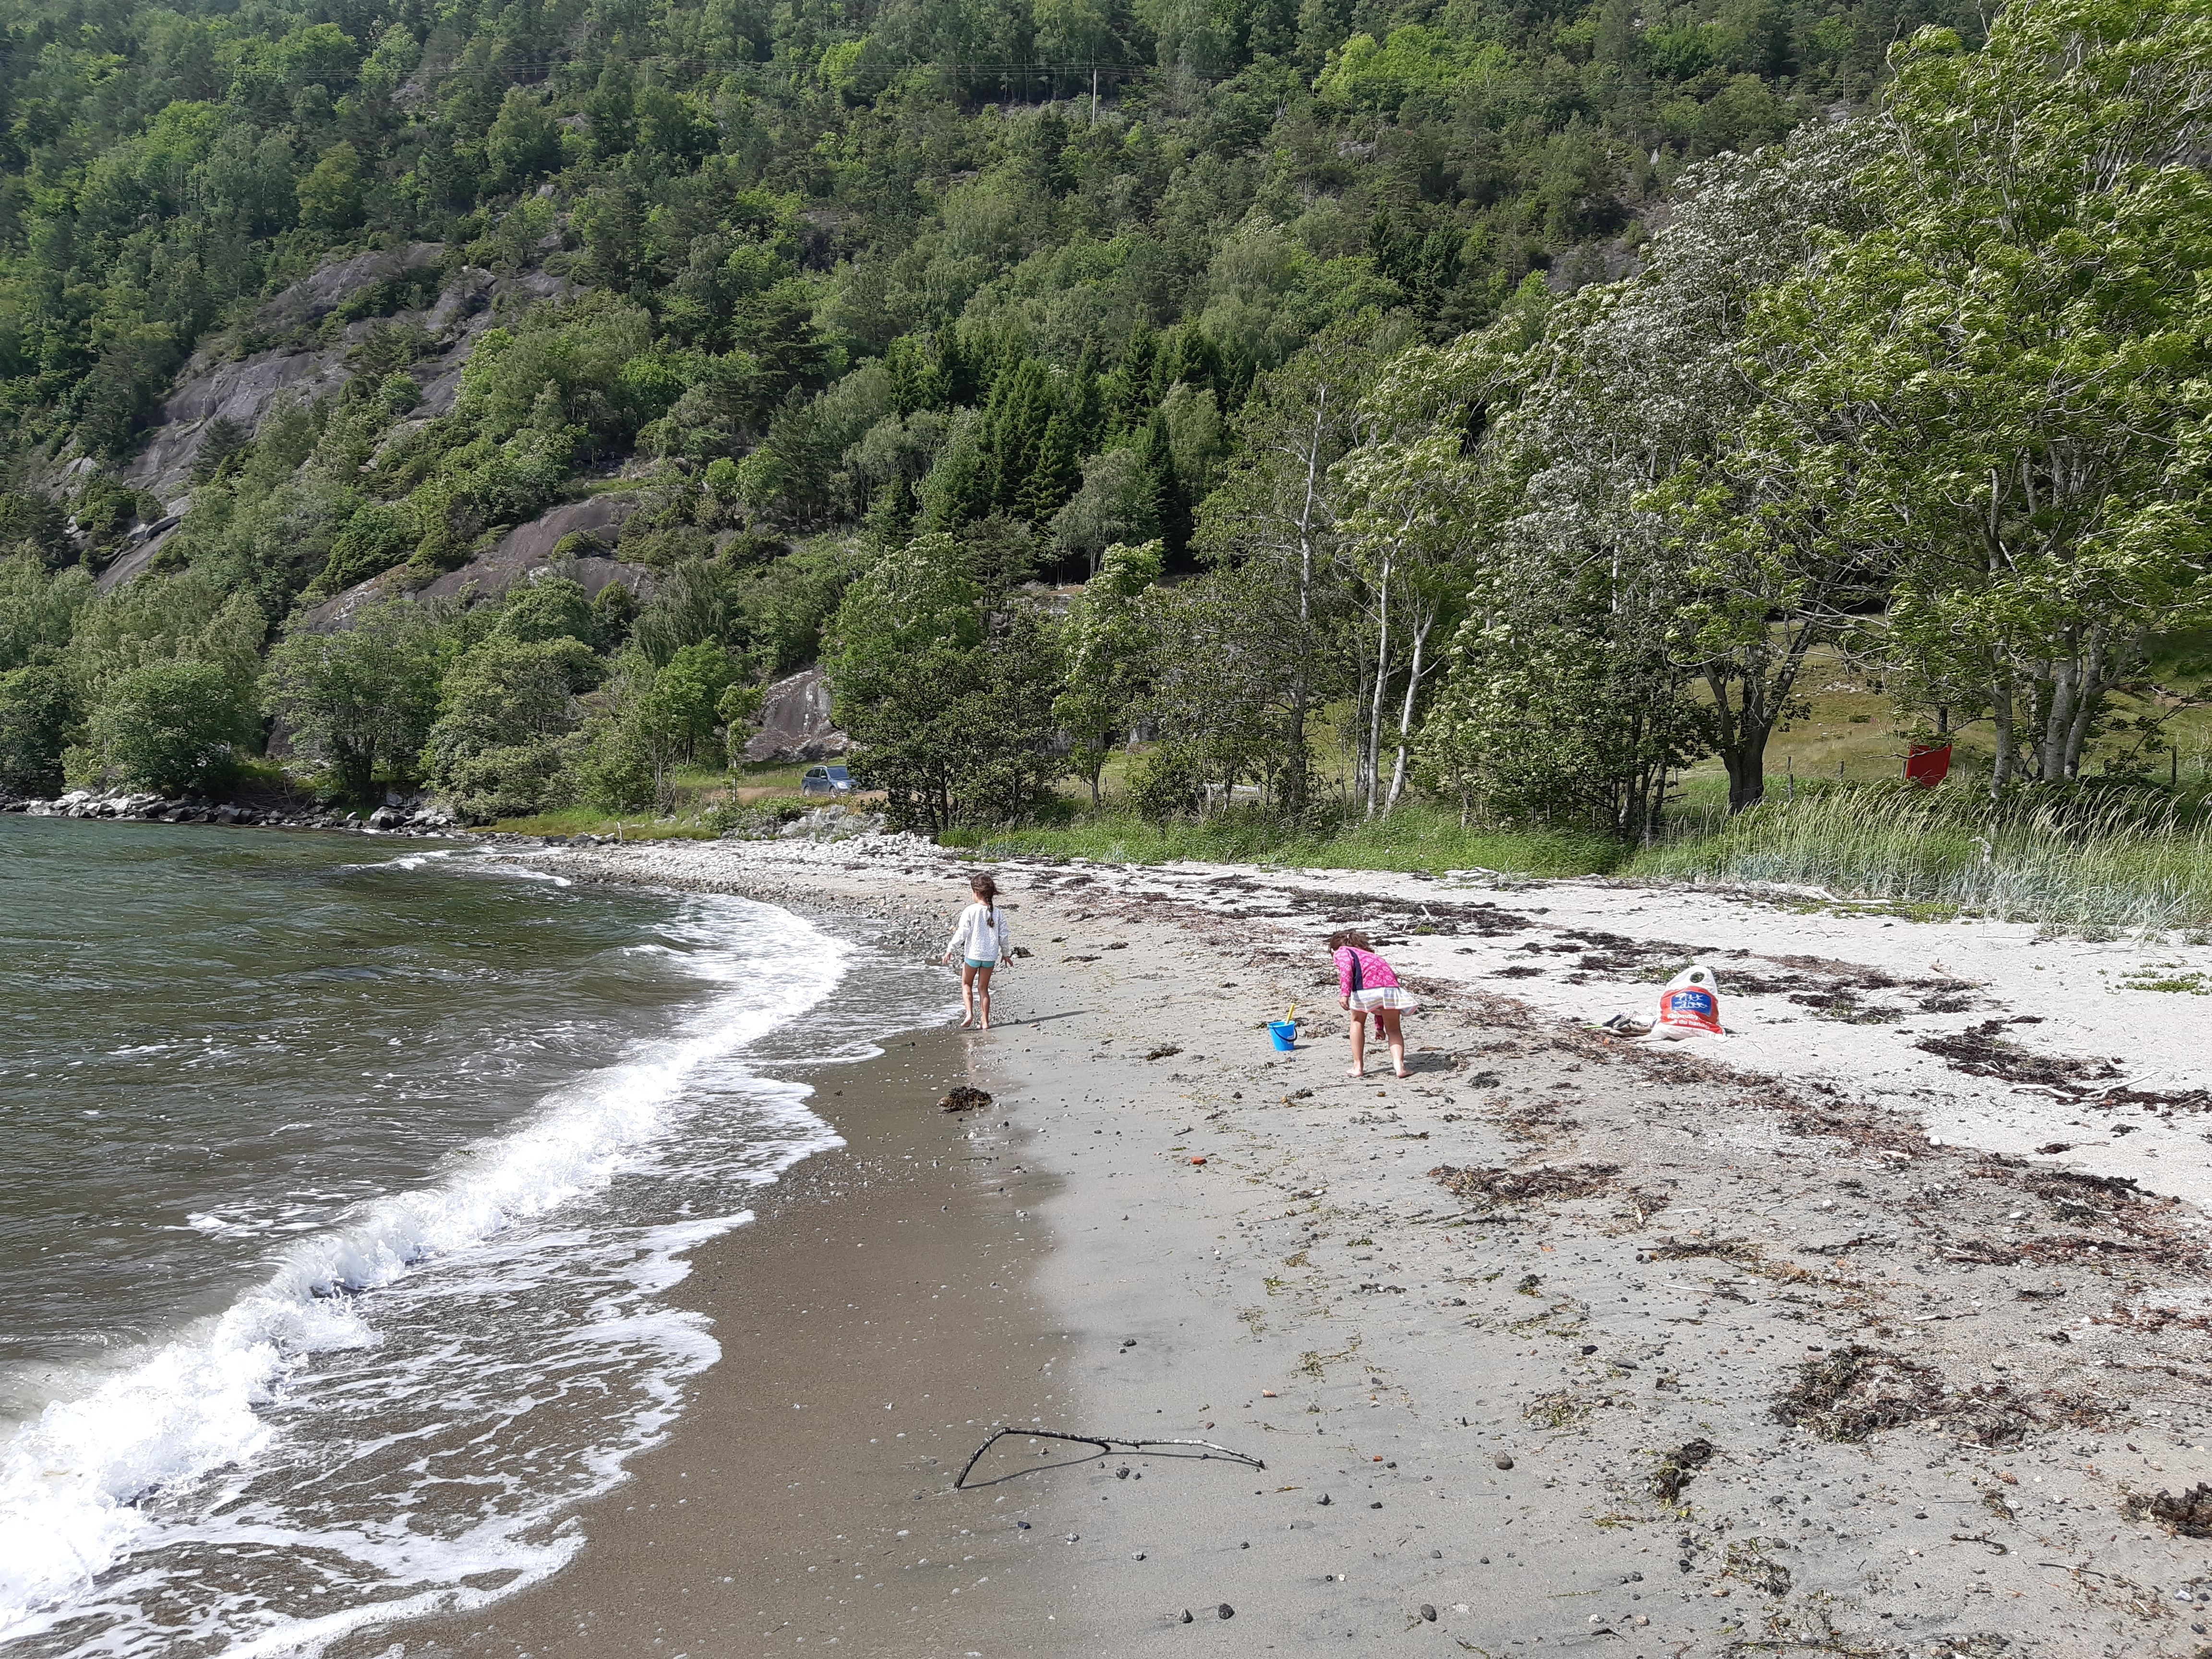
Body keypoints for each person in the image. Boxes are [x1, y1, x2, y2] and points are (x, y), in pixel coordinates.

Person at [1329, 929, 1417, 1078]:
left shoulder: (1342, 951)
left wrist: (1345, 993)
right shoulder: (1372, 957)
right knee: (1394, 1030)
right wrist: (1379, 1027)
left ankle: (1358, 1067)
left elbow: (1346, 969)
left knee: (1357, 1022)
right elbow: (1380, 996)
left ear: (1333, 949)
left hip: (1365, 991)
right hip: (1390, 990)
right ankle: (1400, 1066)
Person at [942, 874, 1011, 1029]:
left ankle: (969, 1014)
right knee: (983, 989)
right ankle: (985, 1021)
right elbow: (1004, 936)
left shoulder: (971, 911)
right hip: (989, 957)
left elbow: (962, 933)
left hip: (973, 955)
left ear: (976, 892)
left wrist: (950, 949)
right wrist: (1006, 954)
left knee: (966, 984)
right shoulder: (998, 913)